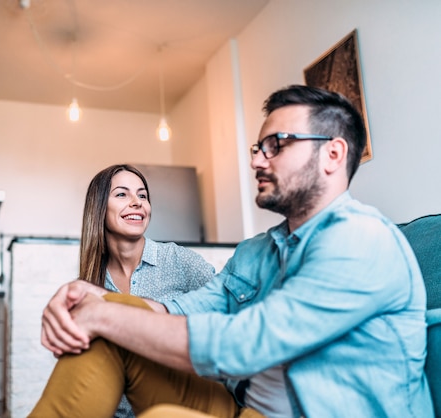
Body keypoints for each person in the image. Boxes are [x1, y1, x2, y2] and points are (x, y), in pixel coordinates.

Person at [31, 85, 434, 417]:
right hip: (240, 406)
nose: (258, 160)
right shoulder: (256, 252)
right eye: (258, 147)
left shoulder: (362, 242)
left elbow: (246, 343)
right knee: (116, 324)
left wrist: (105, 314)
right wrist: (89, 297)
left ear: (333, 154)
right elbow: (181, 310)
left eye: (276, 144)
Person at [77, 163, 216, 417]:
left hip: (175, 408)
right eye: (122, 194)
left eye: (142, 195)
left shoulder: (178, 260)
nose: (137, 202)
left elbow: (225, 309)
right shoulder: (90, 282)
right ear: (98, 208)